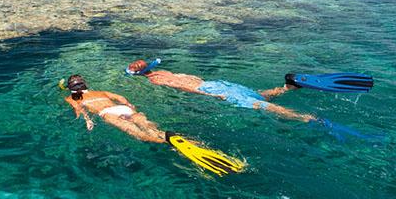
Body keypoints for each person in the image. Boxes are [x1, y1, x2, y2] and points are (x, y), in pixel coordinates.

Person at [62, 74, 246, 175]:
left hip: (108, 114)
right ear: (86, 84)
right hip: (123, 109)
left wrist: (87, 121)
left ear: (72, 88)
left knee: (140, 135)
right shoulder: (100, 91)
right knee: (153, 129)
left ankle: (170, 140)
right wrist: (129, 105)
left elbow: (79, 109)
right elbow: (120, 97)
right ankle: (172, 138)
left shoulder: (70, 97)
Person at [126, 60, 316, 123]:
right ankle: (293, 100)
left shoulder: (158, 75)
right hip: (212, 85)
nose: (136, 63)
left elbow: (183, 85)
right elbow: (185, 83)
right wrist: (212, 92)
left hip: (209, 86)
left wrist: (212, 93)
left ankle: (301, 113)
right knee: (256, 98)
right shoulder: (160, 74)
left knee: (255, 100)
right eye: (135, 65)